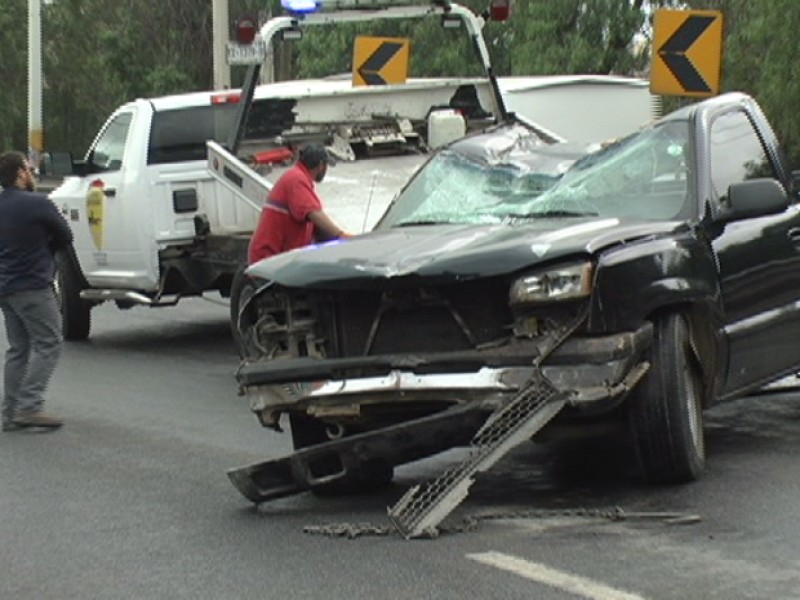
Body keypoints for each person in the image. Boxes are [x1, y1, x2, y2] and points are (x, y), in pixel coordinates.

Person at [0, 150, 73, 431]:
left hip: (6, 288)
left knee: (19, 349)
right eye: (28, 169)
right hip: (32, 285)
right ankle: (29, 406)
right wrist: (47, 251)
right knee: (50, 341)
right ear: (20, 173)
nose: (32, 173)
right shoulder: (38, 203)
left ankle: (10, 414)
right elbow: (66, 236)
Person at [248, 142, 351, 264]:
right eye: (326, 166)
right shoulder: (296, 179)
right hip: (268, 261)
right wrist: (342, 236)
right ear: (320, 166)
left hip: (279, 260)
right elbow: (314, 214)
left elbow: (316, 227)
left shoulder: (299, 178)